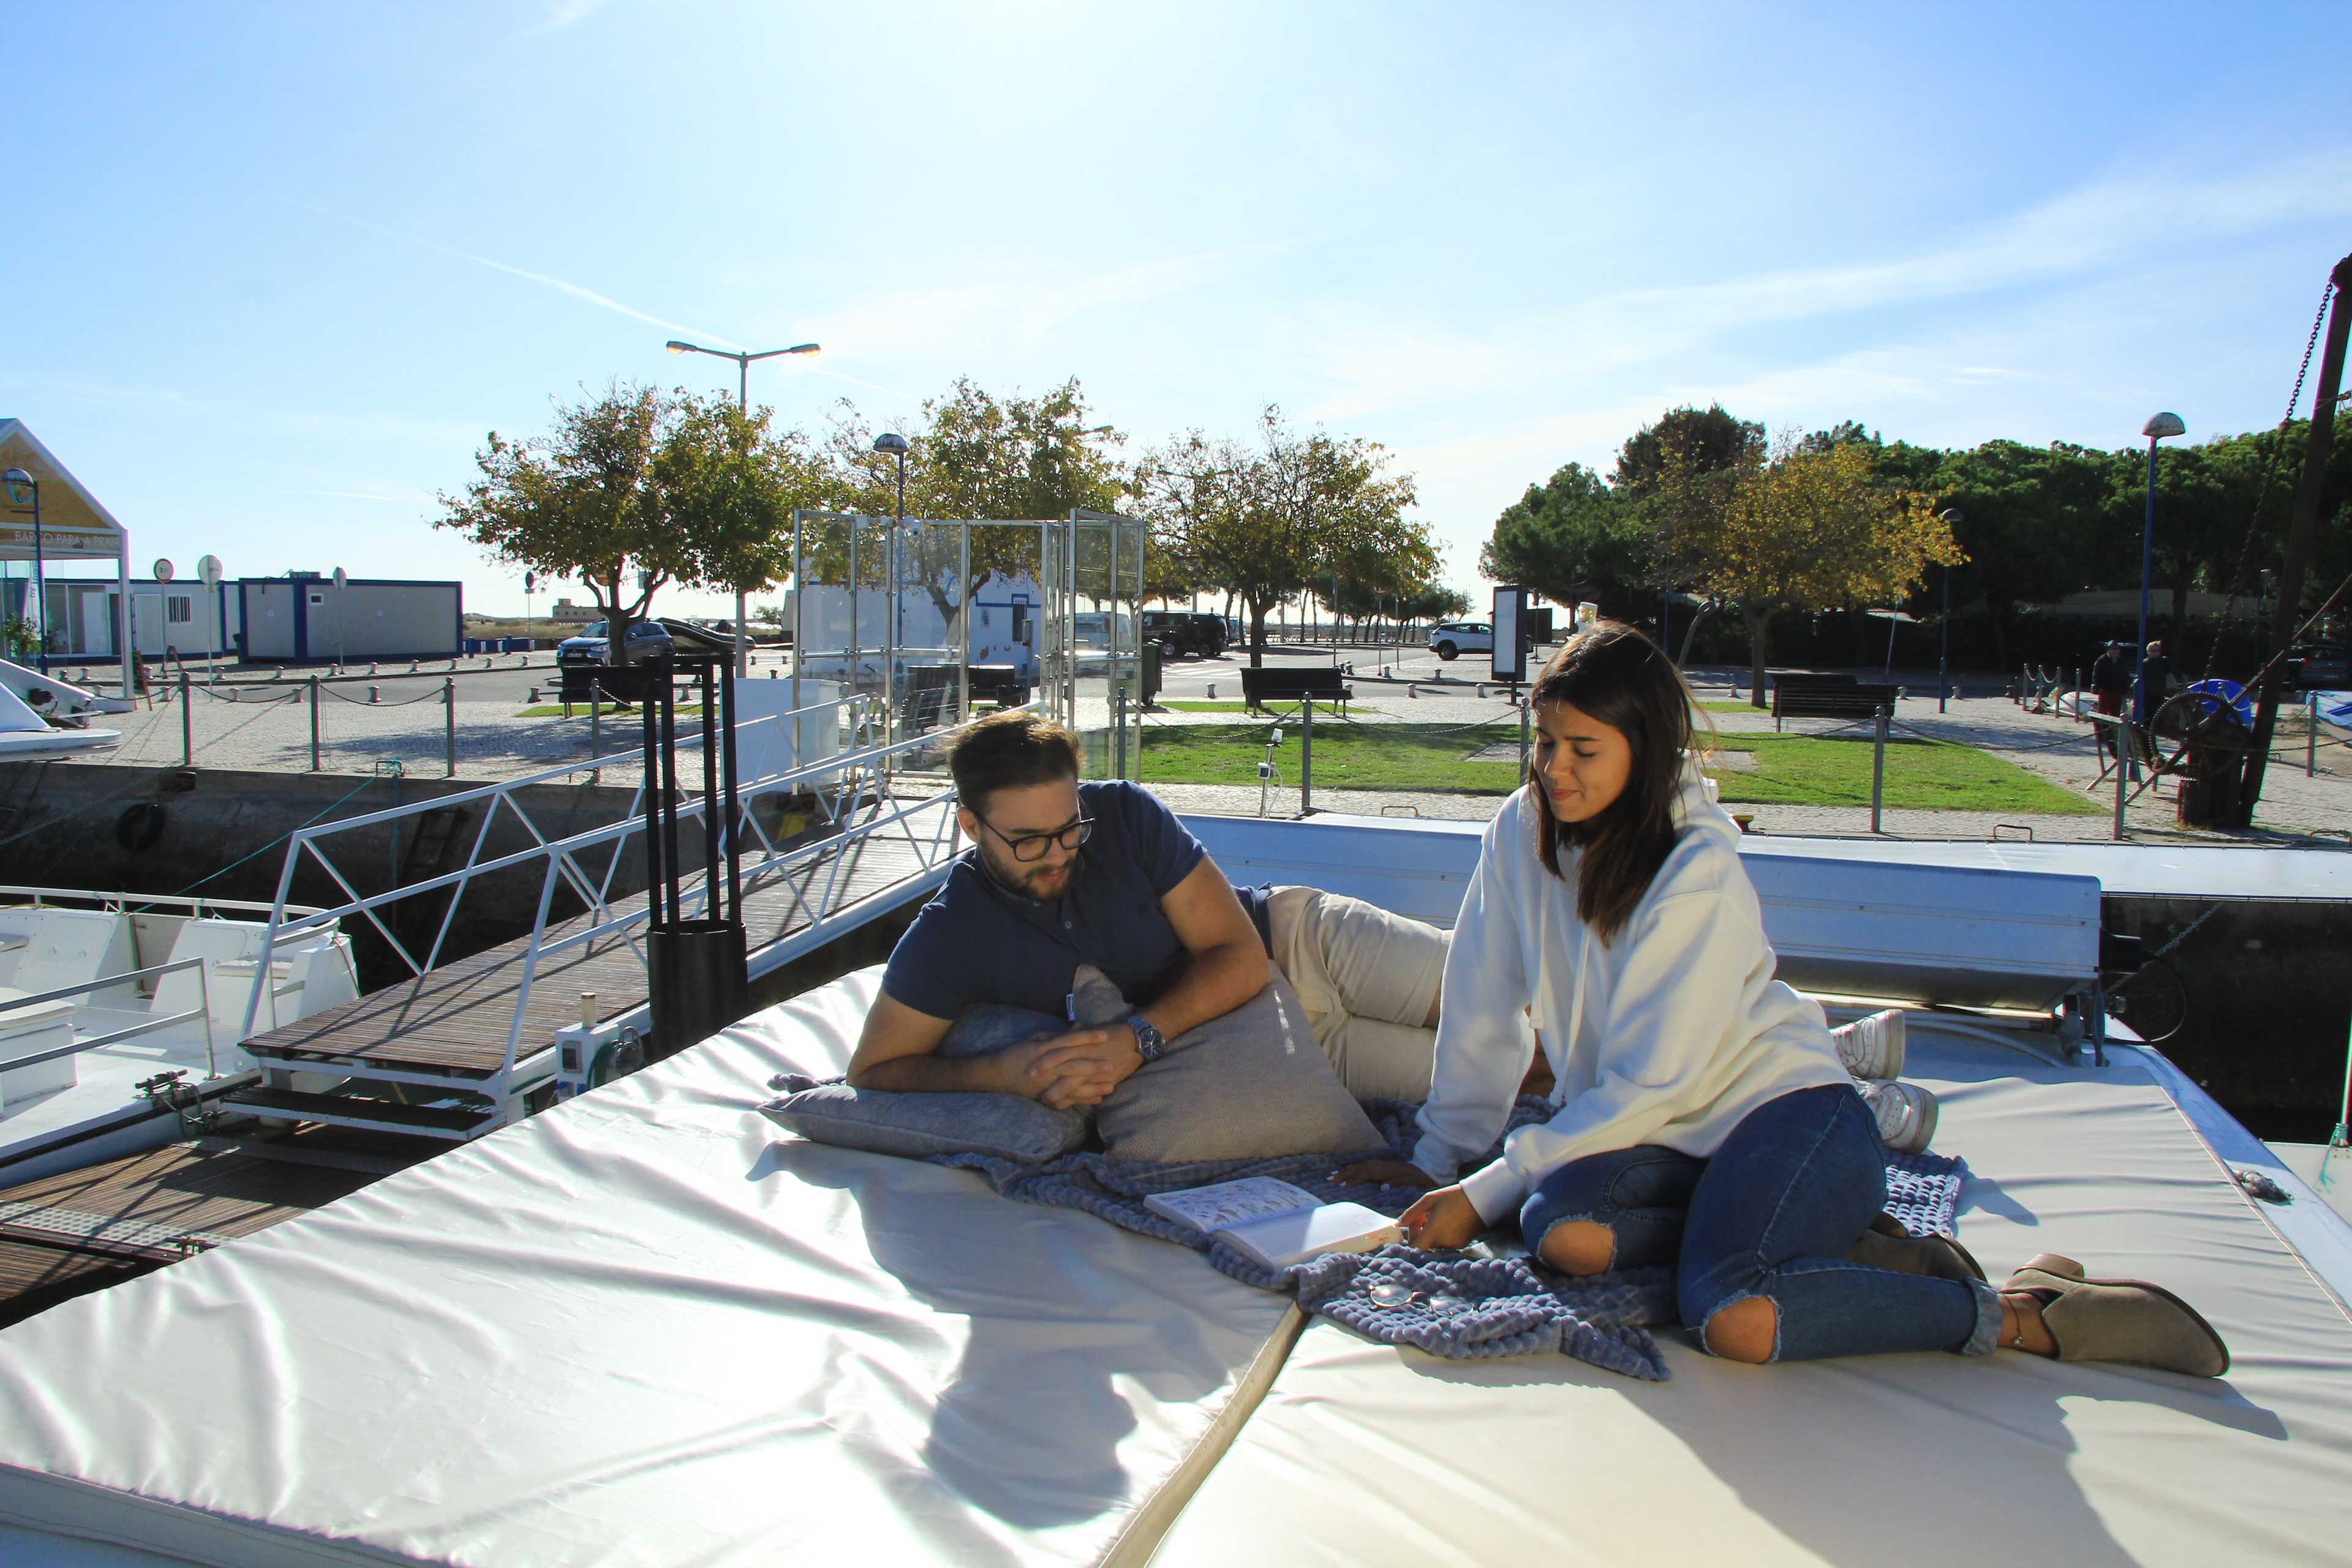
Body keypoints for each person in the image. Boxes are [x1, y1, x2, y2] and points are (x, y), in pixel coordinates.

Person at [1355, 622, 2227, 1374]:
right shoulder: (1521, 829)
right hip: (1663, 1138)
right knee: (1564, 1234)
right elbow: (1480, 995)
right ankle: (1854, 1248)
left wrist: (1484, 1190)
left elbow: (1654, 1085)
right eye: (1546, 743)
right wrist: (1443, 1159)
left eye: (1585, 751)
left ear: (1644, 748)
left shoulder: (1695, 870)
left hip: (1784, 1118)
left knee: (1733, 1314)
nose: (1555, 770)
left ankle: (2024, 1313)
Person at [847, 710, 1451, 1110]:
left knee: (1515, 1006)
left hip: (1303, 941)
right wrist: (1000, 1073)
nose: (1058, 855)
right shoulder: (955, 930)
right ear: (971, 826)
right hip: (1281, 1046)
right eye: (1029, 841)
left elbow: (1240, 956)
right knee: (1509, 1075)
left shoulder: (1123, 815)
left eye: (1068, 828)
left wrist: (1138, 1038)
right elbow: (874, 1070)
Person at [2089, 641, 2130, 717]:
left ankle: (2113, 729)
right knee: (2102, 712)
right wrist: (2098, 688)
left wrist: (2126, 688)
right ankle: (2100, 729)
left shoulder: (2121, 662)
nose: (2116, 651)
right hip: (2106, 691)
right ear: (2108, 650)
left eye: (2117, 649)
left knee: (2116, 714)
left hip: (2118, 691)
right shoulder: (2102, 660)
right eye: (2113, 649)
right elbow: (2096, 676)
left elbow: (2126, 676)